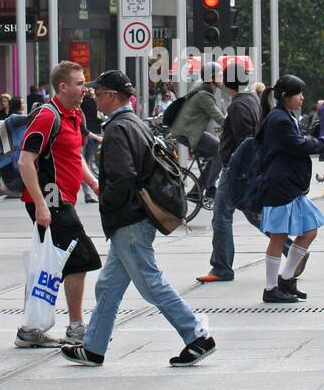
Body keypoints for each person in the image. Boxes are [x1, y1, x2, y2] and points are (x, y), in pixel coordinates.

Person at [61, 70, 216, 367]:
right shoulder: (133, 123)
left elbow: (122, 177)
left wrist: (107, 203)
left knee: (150, 282)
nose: (94, 98)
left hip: (129, 219)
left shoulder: (120, 128)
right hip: (134, 218)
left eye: (98, 93)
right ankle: (93, 347)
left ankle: (197, 336)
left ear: (112, 96)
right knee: (107, 285)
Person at [15, 62, 104, 349]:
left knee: (49, 262)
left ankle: (30, 328)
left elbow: (75, 156)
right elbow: (25, 161)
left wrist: (92, 182)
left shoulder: (75, 115)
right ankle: (76, 328)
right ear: (63, 87)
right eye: (80, 83)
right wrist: (40, 205)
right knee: (81, 257)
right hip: (50, 199)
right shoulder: (47, 116)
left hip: (63, 197)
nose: (85, 89)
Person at [253, 75, 324, 304]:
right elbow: (298, 146)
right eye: (298, 94)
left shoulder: (284, 116)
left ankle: (286, 278)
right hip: (280, 186)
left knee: (309, 230)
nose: (302, 98)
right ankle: (271, 288)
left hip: (290, 186)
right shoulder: (279, 119)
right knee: (279, 236)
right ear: (285, 97)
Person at [199, 65, 262, 283]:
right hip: (243, 169)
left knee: (221, 217)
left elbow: (244, 141)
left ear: (227, 83)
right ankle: (291, 250)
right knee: (252, 214)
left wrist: (235, 167)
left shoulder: (238, 106)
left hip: (234, 169)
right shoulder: (252, 99)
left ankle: (221, 267)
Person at [168, 63, 226, 196]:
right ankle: (211, 188)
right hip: (189, 133)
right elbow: (220, 118)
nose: (222, 78)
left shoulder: (202, 87)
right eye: (220, 75)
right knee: (220, 150)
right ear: (211, 78)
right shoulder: (203, 96)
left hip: (188, 131)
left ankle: (195, 192)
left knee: (214, 159)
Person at [79, 86, 102, 204]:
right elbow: (83, 128)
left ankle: (88, 192)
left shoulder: (81, 108)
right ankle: (89, 192)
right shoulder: (92, 105)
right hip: (91, 135)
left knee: (86, 163)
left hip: (88, 136)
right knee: (85, 163)